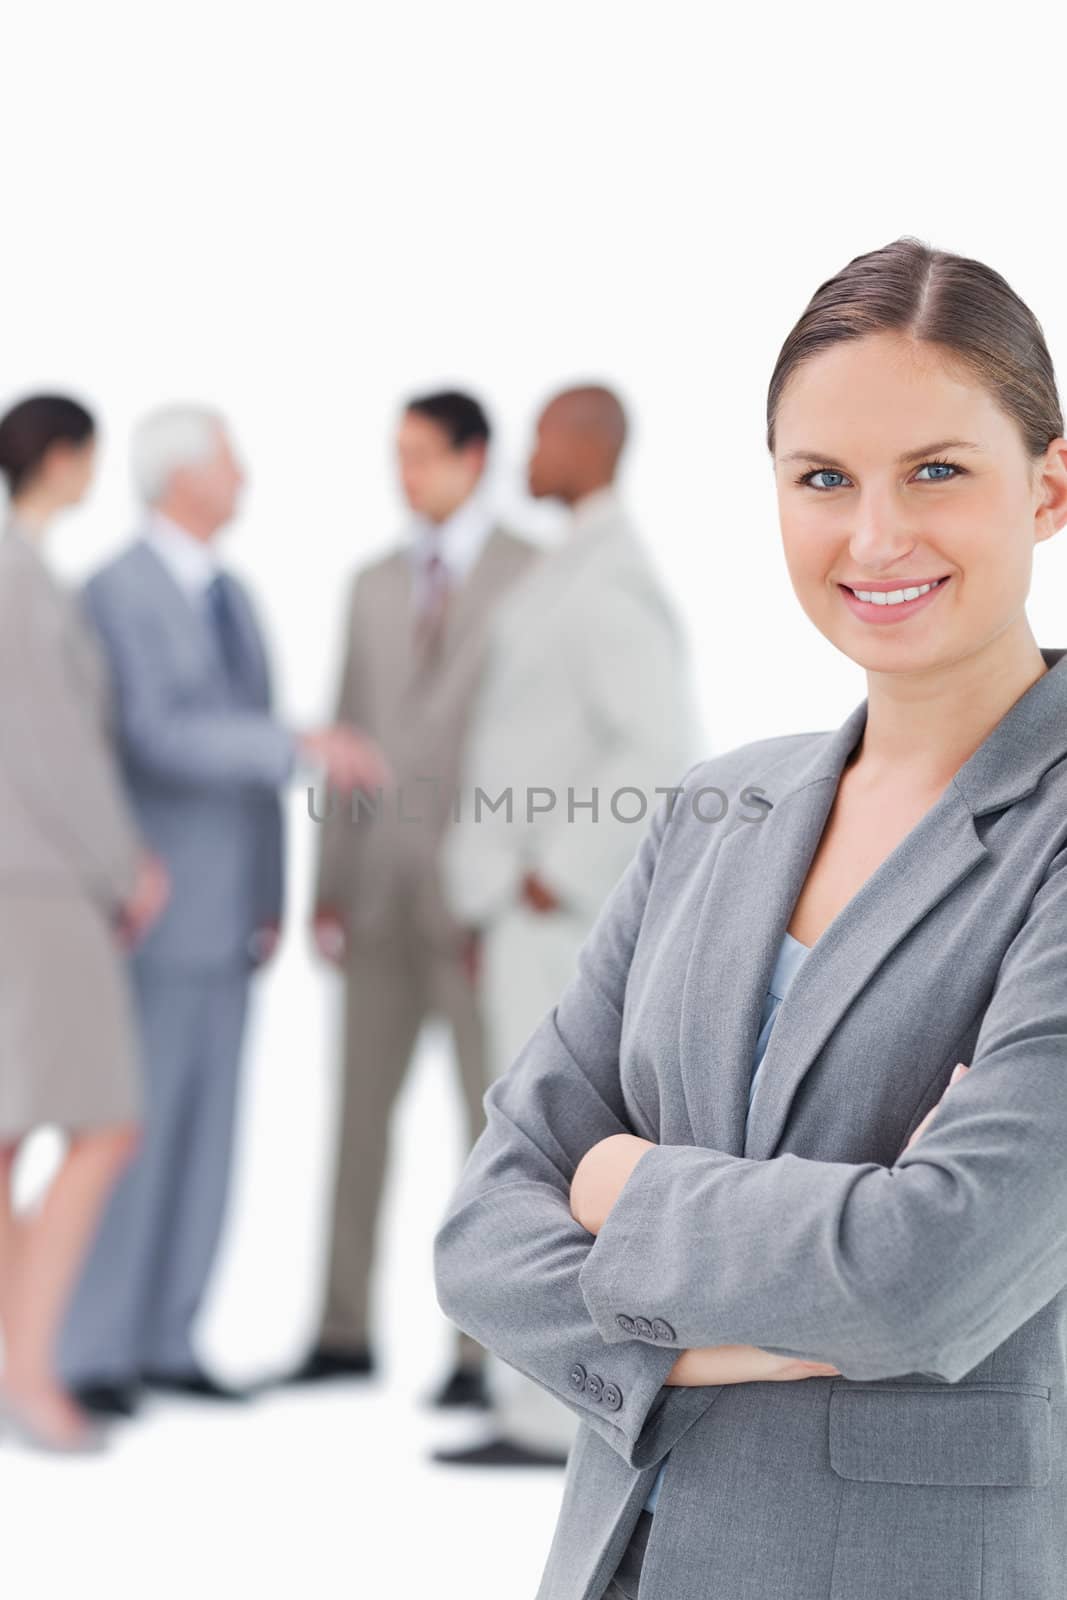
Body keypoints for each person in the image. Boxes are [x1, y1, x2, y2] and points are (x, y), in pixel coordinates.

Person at [434, 235, 1067, 1600]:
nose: (872, 535)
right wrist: (747, 1323)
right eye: (821, 479)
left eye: (935, 472)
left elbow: (922, 1276)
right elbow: (483, 1233)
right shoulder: (713, 812)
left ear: (1046, 487)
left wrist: (615, 1187)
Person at [56, 404, 386, 1418]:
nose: (243, 478)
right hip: (149, 908)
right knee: (133, 1127)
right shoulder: (115, 590)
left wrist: (270, 894)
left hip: (231, 909)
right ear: (181, 477)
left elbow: (244, 761)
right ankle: (92, 1344)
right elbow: (156, 734)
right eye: (229, 463)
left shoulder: (233, 594)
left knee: (210, 1129)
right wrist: (297, 744)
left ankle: (169, 1336)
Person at [434, 384, 696, 1468]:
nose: (526, 453)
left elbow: (658, 747)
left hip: (561, 919)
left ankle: (550, 1407)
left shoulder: (610, 580)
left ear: (587, 445)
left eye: (541, 432)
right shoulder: (565, 565)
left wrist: (551, 875)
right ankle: (521, 1383)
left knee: (546, 1159)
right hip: (515, 908)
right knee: (517, 1153)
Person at [291, 390, 538, 1404]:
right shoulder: (370, 584)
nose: (406, 476)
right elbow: (347, 732)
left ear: (475, 458)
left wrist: (518, 889)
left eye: (423, 457)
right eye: (396, 457)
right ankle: (340, 1329)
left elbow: (534, 740)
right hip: (379, 899)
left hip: (482, 907)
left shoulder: (534, 575)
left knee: (492, 1137)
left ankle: (485, 1353)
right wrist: (328, 887)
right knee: (356, 1119)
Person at [0, 394, 169, 1451]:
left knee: (12, 1131)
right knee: (105, 1124)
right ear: (60, 458)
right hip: (41, 883)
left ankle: (14, 1366)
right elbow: (54, 745)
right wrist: (126, 868)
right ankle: (29, 1373)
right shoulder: (23, 575)